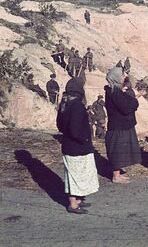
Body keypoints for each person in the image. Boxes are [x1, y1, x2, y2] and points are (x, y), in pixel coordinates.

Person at [56, 78, 99, 214]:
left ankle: (77, 200)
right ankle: (73, 204)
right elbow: (76, 130)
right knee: (76, 175)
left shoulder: (64, 104)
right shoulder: (77, 106)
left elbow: (60, 126)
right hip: (78, 147)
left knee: (73, 174)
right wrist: (85, 138)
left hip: (68, 145)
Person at [104, 67, 144, 184]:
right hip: (118, 127)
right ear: (116, 78)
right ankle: (116, 176)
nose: (124, 77)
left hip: (120, 125)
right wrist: (135, 99)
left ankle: (117, 174)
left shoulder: (115, 90)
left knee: (120, 150)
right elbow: (126, 107)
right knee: (117, 150)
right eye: (121, 75)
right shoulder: (114, 92)